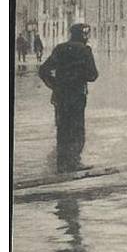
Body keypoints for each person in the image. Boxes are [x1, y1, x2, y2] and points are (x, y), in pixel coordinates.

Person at [38, 23, 99, 172]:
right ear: (83, 35)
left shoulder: (60, 49)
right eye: (86, 35)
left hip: (60, 96)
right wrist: (79, 76)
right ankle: (74, 162)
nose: (87, 37)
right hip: (77, 95)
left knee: (62, 128)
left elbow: (43, 70)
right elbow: (93, 75)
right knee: (77, 129)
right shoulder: (85, 50)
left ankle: (62, 163)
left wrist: (55, 85)